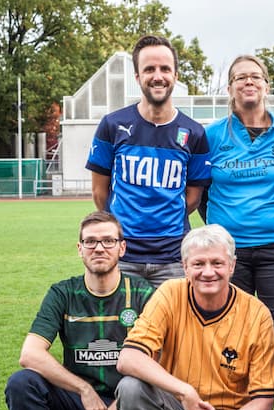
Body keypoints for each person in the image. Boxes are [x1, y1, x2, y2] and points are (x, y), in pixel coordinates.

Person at [115, 224, 274, 410]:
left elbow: (264, 402)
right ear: (185, 266)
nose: (208, 272)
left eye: (217, 263)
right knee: (132, 388)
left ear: (232, 266)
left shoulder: (256, 313)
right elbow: (129, 358)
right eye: (199, 263)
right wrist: (185, 392)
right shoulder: (170, 294)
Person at [5, 211, 154, 410]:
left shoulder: (142, 293)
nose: (99, 248)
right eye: (91, 241)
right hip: (78, 404)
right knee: (22, 383)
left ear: (122, 247)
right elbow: (30, 354)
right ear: (80, 249)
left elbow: (157, 362)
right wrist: (84, 390)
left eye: (108, 241)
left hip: (125, 405)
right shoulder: (63, 292)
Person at [202, 54, 274, 400]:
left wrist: (268, 222)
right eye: (240, 77)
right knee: (232, 345)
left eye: (255, 77)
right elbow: (202, 193)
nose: (248, 82)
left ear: (266, 85)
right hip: (228, 257)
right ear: (230, 88)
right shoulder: (211, 136)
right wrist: (227, 230)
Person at [87, 34, 211, 288]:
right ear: (137, 77)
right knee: (122, 327)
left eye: (165, 69)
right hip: (123, 255)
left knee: (173, 328)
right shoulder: (112, 125)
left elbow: (193, 197)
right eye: (149, 69)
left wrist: (162, 218)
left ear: (175, 75)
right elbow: (100, 193)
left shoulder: (195, 132)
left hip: (173, 256)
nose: (158, 76)